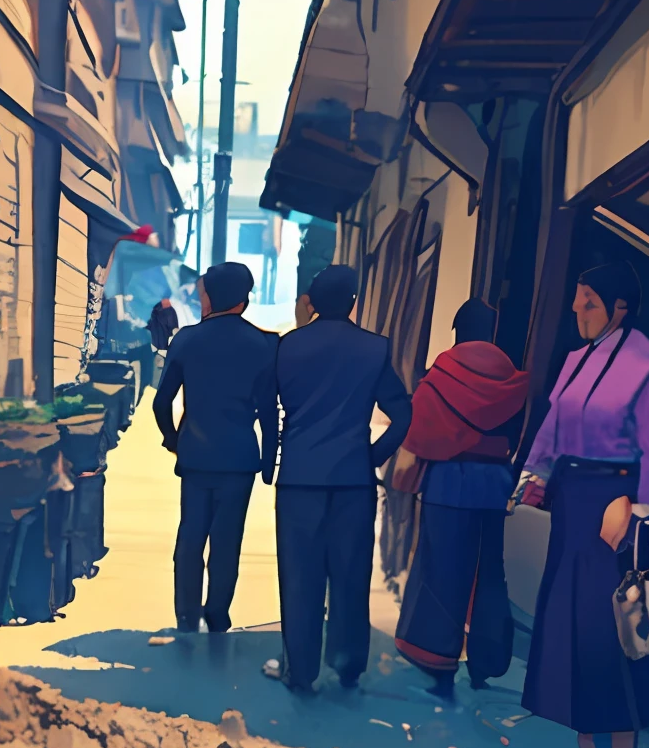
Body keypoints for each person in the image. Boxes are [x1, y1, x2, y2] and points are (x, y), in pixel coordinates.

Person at [519, 262, 649, 748]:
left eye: (588, 301)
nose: (576, 309)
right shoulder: (573, 360)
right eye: (577, 299)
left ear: (619, 306)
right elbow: (551, 426)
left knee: (611, 636)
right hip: (573, 503)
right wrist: (535, 473)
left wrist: (639, 509)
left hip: (615, 506)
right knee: (569, 632)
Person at [272, 265, 411, 691]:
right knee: (350, 574)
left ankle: (301, 670)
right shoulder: (374, 349)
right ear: (354, 301)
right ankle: (348, 664)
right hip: (353, 479)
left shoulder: (285, 347)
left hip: (298, 478)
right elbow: (403, 413)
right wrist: (372, 455)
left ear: (311, 301)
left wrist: (268, 460)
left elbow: (265, 405)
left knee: (299, 578)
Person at [391, 299, 529, 700]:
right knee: (488, 572)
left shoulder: (443, 372)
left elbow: (420, 430)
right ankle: (487, 661)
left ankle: (436, 656)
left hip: (449, 483)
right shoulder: (509, 375)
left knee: (441, 571)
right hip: (493, 485)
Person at [152, 261, 278, 634]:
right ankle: (218, 612)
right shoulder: (264, 344)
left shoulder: (188, 339)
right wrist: (269, 461)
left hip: (196, 456)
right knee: (227, 542)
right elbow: (270, 410)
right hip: (239, 459)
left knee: (190, 537)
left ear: (211, 298)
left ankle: (186, 614)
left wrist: (174, 440)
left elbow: (163, 403)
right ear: (244, 299)